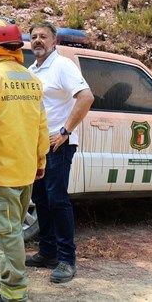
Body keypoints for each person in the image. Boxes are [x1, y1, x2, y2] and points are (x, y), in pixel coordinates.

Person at [0, 18, 49, 302]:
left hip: (0, 173)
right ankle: (5, 275)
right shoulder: (31, 79)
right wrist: (41, 161)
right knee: (8, 231)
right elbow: (41, 125)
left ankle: (14, 291)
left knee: (9, 232)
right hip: (26, 170)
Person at [25, 21, 94, 283]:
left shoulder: (62, 65)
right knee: (41, 199)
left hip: (59, 144)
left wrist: (65, 131)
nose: (38, 41)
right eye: (34, 37)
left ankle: (67, 259)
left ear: (55, 42)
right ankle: (47, 252)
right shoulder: (32, 70)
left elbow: (86, 97)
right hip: (37, 146)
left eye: (44, 36)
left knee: (57, 199)